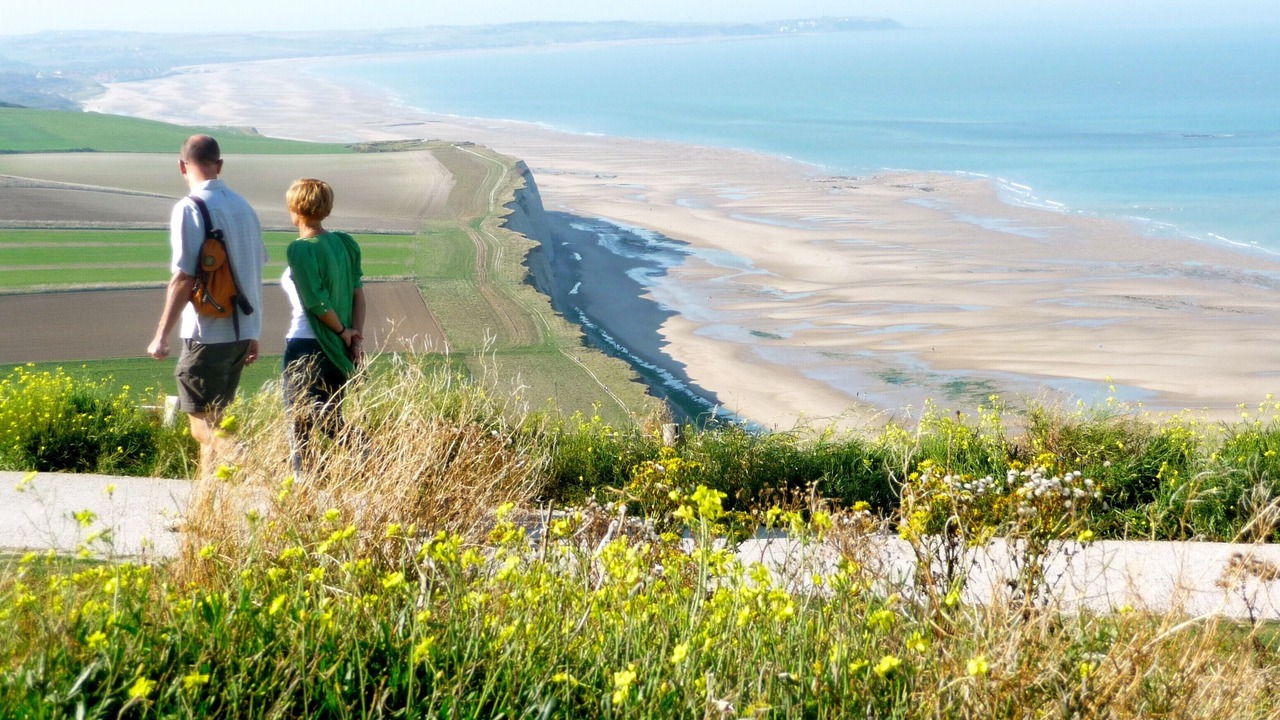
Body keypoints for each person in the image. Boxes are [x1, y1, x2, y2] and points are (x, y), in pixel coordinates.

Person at [147, 134, 266, 477]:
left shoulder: (191, 207)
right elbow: (253, 270)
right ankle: (202, 512)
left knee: (201, 428)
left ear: (182, 167)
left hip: (206, 334)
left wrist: (161, 336)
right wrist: (253, 332)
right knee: (212, 425)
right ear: (220, 165)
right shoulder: (244, 207)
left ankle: (265, 473)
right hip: (240, 334)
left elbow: (184, 277)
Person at [280, 178, 365, 477]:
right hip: (338, 349)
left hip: (307, 343)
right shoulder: (344, 243)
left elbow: (315, 301)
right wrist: (353, 336)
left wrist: (342, 331)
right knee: (331, 422)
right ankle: (376, 459)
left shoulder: (301, 249)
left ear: (296, 209)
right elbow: (358, 293)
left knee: (300, 420)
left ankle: (304, 482)